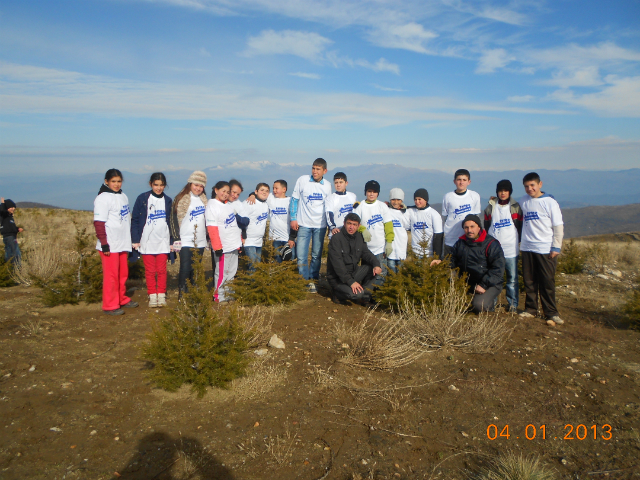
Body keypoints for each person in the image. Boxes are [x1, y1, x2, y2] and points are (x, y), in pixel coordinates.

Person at [431, 214, 505, 313]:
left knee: (479, 306)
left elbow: (498, 269)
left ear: (479, 227)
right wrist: (442, 262)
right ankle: (466, 299)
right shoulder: (461, 242)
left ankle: (489, 304)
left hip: (489, 283)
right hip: (468, 282)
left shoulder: (491, 244)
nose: (469, 230)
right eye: (466, 227)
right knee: (449, 274)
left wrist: (483, 284)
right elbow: (452, 259)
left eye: (472, 227)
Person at [518, 172, 564, 324]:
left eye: (532, 185)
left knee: (547, 281)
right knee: (529, 280)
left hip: (544, 247)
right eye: (526, 186)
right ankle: (531, 309)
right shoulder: (523, 201)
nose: (529, 189)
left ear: (540, 184)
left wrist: (556, 246)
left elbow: (558, 226)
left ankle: (551, 313)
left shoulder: (550, 202)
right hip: (527, 246)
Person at [93, 168, 139, 315]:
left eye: (119, 181)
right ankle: (110, 305)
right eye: (113, 181)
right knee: (111, 276)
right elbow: (99, 223)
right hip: (110, 244)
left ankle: (121, 298)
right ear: (106, 181)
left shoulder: (123, 196)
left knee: (122, 273)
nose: (116, 184)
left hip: (122, 242)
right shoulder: (102, 198)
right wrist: (104, 243)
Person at [131, 172, 173, 308]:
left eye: (161, 185)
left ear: (165, 186)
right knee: (150, 270)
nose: (158, 188)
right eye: (156, 185)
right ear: (151, 184)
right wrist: (135, 239)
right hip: (146, 241)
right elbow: (135, 220)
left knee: (161, 270)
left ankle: (161, 294)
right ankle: (152, 295)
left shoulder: (168, 201)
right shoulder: (143, 199)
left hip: (163, 241)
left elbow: (171, 222)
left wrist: (172, 241)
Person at [290, 158, 332, 292]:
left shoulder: (327, 185)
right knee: (301, 254)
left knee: (316, 254)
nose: (315, 171)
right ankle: (303, 280)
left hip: (320, 225)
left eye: (318, 169)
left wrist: (330, 225)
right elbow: (294, 199)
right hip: (303, 224)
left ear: (324, 171)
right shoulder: (302, 180)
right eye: (313, 168)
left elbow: (329, 205)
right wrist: (293, 218)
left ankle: (313, 279)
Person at [483, 179, 523, 312]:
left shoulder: (515, 207)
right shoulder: (490, 207)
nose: (503, 193)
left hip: (511, 249)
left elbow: (520, 226)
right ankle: (491, 304)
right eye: (500, 191)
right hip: (494, 250)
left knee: (512, 279)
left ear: (510, 192)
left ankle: (513, 305)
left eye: (506, 191)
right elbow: (487, 226)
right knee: (493, 278)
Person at [327, 213, 382, 304]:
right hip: (338, 278)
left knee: (373, 269)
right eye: (349, 223)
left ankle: (365, 296)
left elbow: (366, 253)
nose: (351, 227)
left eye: (354, 225)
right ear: (344, 223)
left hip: (353, 273)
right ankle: (337, 293)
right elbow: (338, 264)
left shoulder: (359, 237)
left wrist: (376, 264)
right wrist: (351, 282)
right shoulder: (336, 239)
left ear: (358, 226)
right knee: (356, 294)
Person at [169, 171, 208, 297]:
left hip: (200, 239)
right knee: (185, 268)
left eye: (201, 186)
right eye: (196, 185)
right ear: (190, 183)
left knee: (196, 268)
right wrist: (176, 238)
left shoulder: (203, 199)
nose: (198, 188)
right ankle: (183, 294)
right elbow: (173, 219)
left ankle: (193, 293)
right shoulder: (181, 198)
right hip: (185, 238)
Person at [205, 181, 242, 302]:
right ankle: (219, 295)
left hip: (234, 244)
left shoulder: (227, 205)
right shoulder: (212, 205)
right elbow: (212, 228)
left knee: (232, 271)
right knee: (222, 272)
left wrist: (239, 242)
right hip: (223, 246)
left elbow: (233, 225)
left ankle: (229, 293)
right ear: (216, 190)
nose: (225, 194)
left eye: (228, 192)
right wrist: (217, 247)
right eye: (223, 191)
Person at [353, 180, 394, 286]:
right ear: (365, 192)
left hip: (380, 248)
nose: (371, 194)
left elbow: (388, 227)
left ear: (378, 193)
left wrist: (389, 243)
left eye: (374, 192)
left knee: (381, 275)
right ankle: (366, 297)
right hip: (366, 250)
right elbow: (354, 224)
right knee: (367, 275)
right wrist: (362, 229)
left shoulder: (382, 206)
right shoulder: (360, 206)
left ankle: (377, 299)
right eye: (369, 191)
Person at [442, 169, 481, 257]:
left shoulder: (474, 196)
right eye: (459, 179)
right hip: (451, 238)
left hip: (467, 238)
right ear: (454, 181)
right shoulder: (448, 197)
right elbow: (445, 216)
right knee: (449, 266)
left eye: (464, 180)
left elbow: (476, 218)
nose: (461, 182)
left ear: (469, 182)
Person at [236, 183, 270, 270]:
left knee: (257, 266)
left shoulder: (266, 204)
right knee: (253, 266)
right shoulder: (249, 203)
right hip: (249, 240)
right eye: (262, 190)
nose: (264, 192)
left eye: (267, 191)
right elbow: (241, 220)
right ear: (256, 191)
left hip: (259, 241)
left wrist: (252, 194)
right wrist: (242, 236)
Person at [406, 188, 443, 259]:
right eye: (415, 199)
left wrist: (437, 257)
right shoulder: (411, 211)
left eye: (420, 199)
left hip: (429, 254)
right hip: (415, 254)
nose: (417, 202)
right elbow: (400, 209)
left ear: (425, 200)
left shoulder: (434, 214)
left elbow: (438, 236)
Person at [267, 180, 296, 263]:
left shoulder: (290, 201)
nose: (274, 190)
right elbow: (260, 194)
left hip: (287, 238)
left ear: (284, 189)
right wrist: (252, 196)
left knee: (291, 259)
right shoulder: (271, 198)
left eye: (276, 188)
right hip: (274, 238)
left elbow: (295, 220)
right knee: (276, 260)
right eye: (273, 188)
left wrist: (292, 238)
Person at [325, 172, 357, 239]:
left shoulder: (352, 196)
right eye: (336, 183)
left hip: (350, 232)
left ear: (346, 183)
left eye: (341, 182)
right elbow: (329, 214)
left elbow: (356, 213)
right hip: (337, 233)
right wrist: (333, 227)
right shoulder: (330, 198)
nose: (338, 185)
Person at [386, 188, 409, 274]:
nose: (396, 202)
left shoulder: (406, 213)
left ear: (402, 200)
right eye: (393, 199)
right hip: (390, 248)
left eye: (398, 200)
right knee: (391, 273)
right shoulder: (386, 210)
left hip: (401, 248)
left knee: (401, 273)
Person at [0, 198, 24, 265]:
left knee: (9, 253)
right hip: (9, 237)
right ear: (6, 208)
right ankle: (16, 269)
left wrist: (17, 229)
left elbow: (10, 227)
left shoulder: (9, 217)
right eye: (11, 207)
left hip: (11, 236)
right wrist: (3, 204)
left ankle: (9, 267)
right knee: (15, 254)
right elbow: (1, 211)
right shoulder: (4, 215)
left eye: (14, 207)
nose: (13, 209)